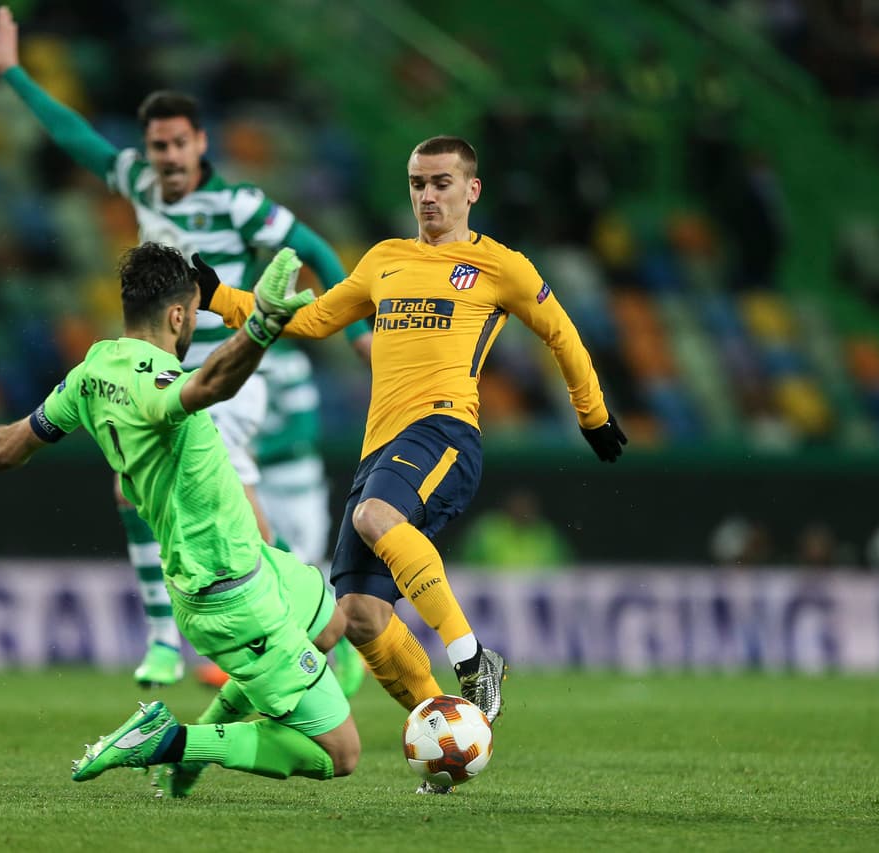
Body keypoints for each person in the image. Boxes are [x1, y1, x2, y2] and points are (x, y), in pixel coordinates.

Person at [201, 135, 627, 791]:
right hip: (382, 448)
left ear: (471, 190)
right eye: (417, 184)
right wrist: (217, 296)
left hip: (444, 431)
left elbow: (561, 333)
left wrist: (591, 413)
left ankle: (474, 660)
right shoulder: (384, 260)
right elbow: (312, 320)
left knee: (375, 515)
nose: (427, 196)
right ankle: (451, 737)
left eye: (441, 183)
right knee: (360, 614)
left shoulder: (501, 266)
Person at [0, 6, 371, 688]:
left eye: (180, 144)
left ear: (200, 143)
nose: (170, 157)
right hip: (164, 377)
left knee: (227, 516)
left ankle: (308, 636)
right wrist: (13, 72)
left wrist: (357, 333)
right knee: (140, 491)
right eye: (159, 146)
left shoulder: (239, 204)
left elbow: (320, 251)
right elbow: (74, 135)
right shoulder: (137, 181)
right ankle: (185, 639)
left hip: (228, 379)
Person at [0, 244, 359, 796]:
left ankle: (191, 753)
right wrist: (262, 324)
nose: (194, 323)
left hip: (249, 560)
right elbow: (209, 385)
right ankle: (172, 742)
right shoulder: (155, 380)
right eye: (193, 313)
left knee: (329, 626)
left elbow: (11, 446)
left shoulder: (92, 371)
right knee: (340, 754)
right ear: (176, 315)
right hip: (230, 591)